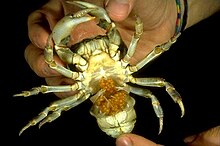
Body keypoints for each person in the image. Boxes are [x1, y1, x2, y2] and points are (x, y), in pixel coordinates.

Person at [23, 0, 220, 145]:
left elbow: (51, 64)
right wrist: (173, 9)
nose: (92, 44)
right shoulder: (122, 57)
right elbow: (160, 79)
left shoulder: (77, 70)